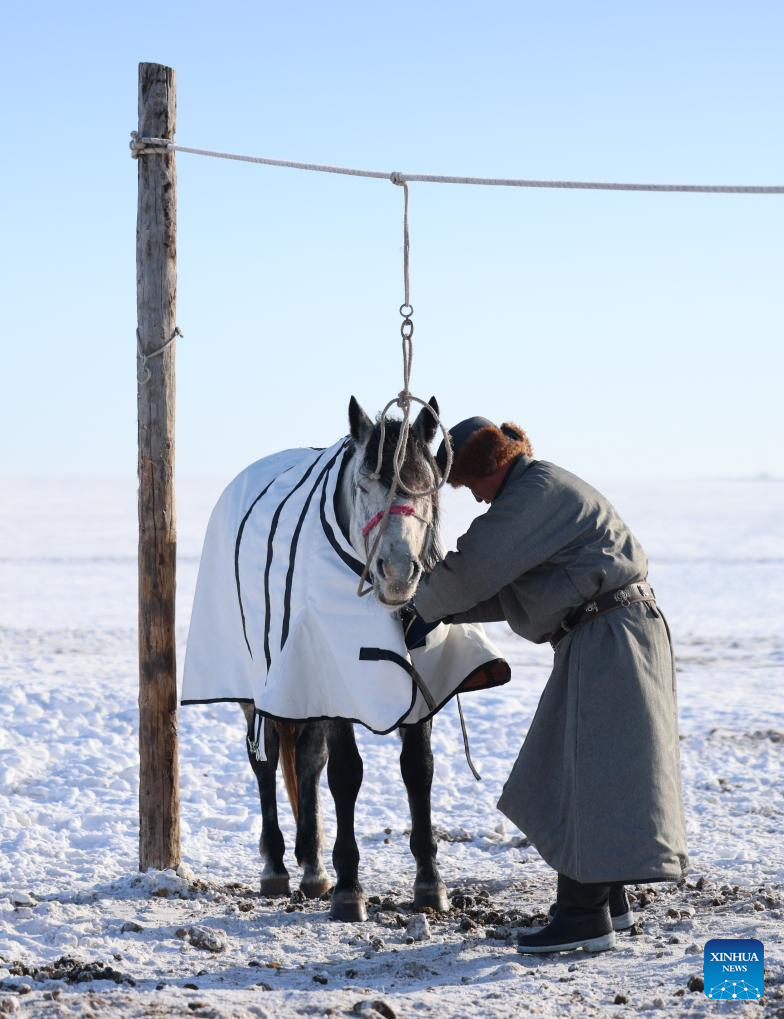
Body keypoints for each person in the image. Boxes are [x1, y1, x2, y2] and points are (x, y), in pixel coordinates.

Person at [409, 417, 688, 954]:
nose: (475, 498)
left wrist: (418, 605)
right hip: (610, 631)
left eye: (470, 484)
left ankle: (583, 915)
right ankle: (607, 900)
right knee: (595, 766)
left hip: (609, 636)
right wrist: (434, 611)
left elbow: (473, 570)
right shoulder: (540, 492)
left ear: (490, 465)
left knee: (583, 771)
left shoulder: (532, 494)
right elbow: (504, 590)